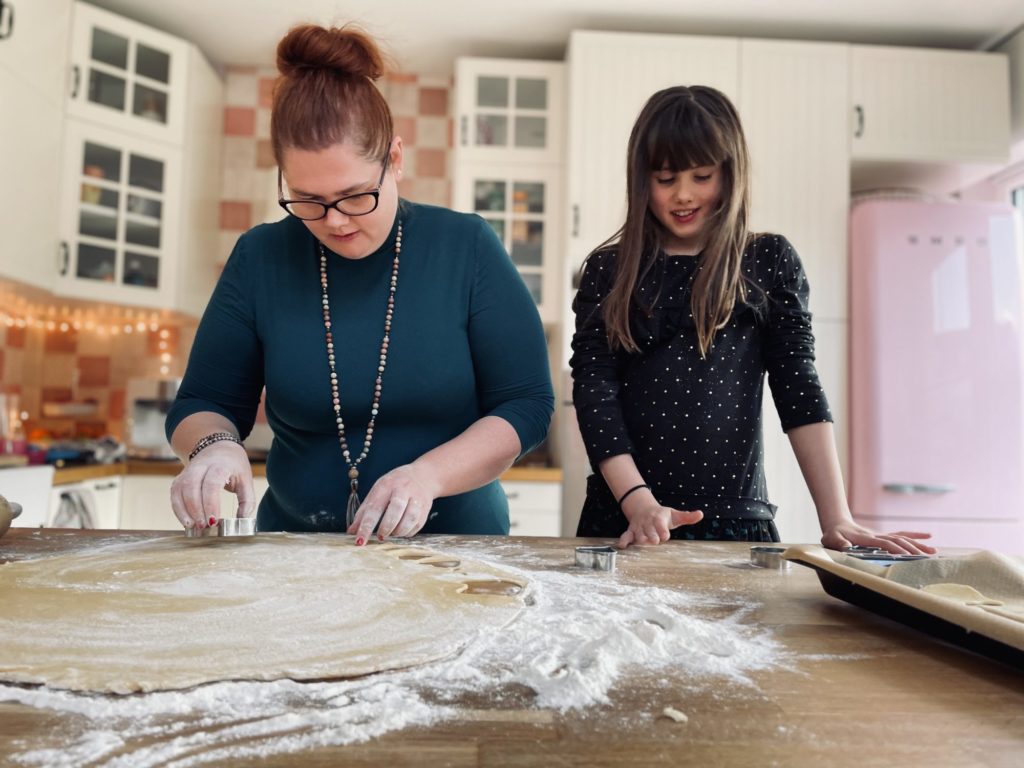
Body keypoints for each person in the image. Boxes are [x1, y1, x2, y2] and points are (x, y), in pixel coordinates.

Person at [165, 24, 553, 544]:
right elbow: (202, 401)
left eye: (354, 196)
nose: (335, 221)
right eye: (308, 200)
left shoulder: (466, 247)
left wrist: (427, 477)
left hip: (455, 548)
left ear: (394, 159)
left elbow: (526, 404)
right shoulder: (260, 257)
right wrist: (214, 446)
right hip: (296, 549)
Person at [570, 85, 934, 554]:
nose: (683, 194)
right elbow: (594, 391)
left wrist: (836, 516)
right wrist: (637, 499)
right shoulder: (609, 269)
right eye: (664, 179)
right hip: (622, 519)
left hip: (734, 522)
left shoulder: (769, 260)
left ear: (730, 172)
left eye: (701, 176)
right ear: (641, 180)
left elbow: (798, 386)